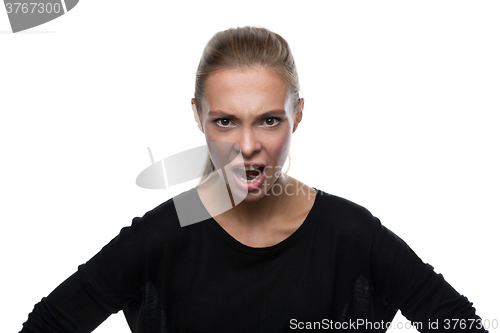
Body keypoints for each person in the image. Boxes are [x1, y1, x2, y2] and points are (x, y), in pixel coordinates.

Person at [20, 26, 487, 333]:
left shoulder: (352, 235)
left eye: (267, 120)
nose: (246, 146)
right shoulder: (161, 236)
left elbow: (460, 324)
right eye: (224, 121)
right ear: (197, 116)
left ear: (297, 115)